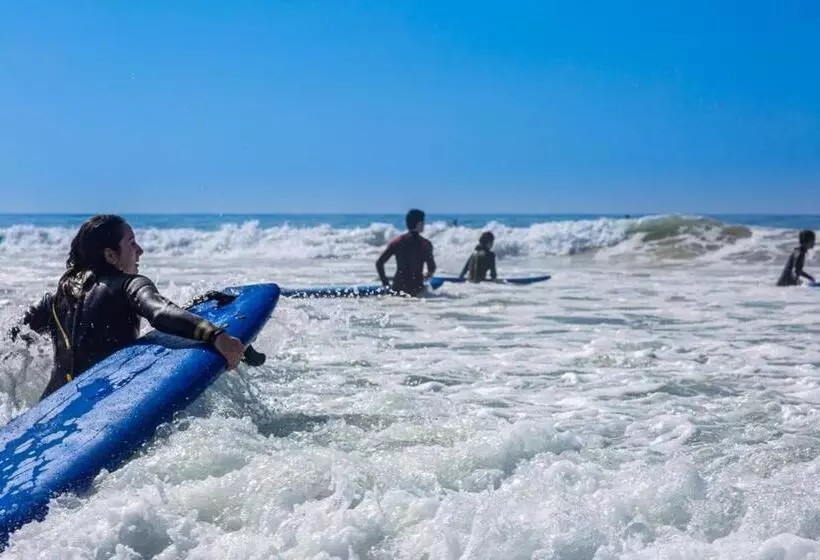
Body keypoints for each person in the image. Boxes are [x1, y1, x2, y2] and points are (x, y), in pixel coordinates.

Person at [9, 214, 246, 400]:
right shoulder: (129, 285)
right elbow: (159, 312)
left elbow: (12, 337)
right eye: (132, 243)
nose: (139, 250)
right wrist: (215, 335)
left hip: (52, 403)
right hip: (100, 403)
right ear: (111, 256)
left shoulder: (54, 299)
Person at [376, 209, 436, 296]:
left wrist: (385, 284)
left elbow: (379, 263)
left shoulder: (397, 242)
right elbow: (432, 267)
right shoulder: (425, 244)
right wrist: (426, 276)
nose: (424, 224)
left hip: (397, 289)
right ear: (419, 224)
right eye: (423, 222)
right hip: (416, 291)